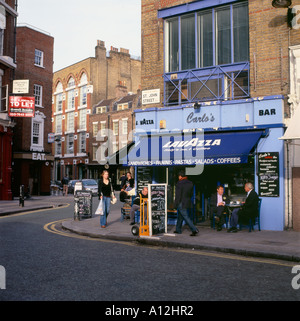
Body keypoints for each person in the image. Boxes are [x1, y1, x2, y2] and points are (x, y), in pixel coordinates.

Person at [174, 170, 199, 236]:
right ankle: (178, 229)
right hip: (187, 201)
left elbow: (178, 195)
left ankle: (194, 229)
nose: (178, 177)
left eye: (178, 176)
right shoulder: (190, 183)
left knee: (185, 216)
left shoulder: (179, 183)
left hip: (181, 202)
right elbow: (191, 194)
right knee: (180, 216)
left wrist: (175, 204)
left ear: (180, 176)